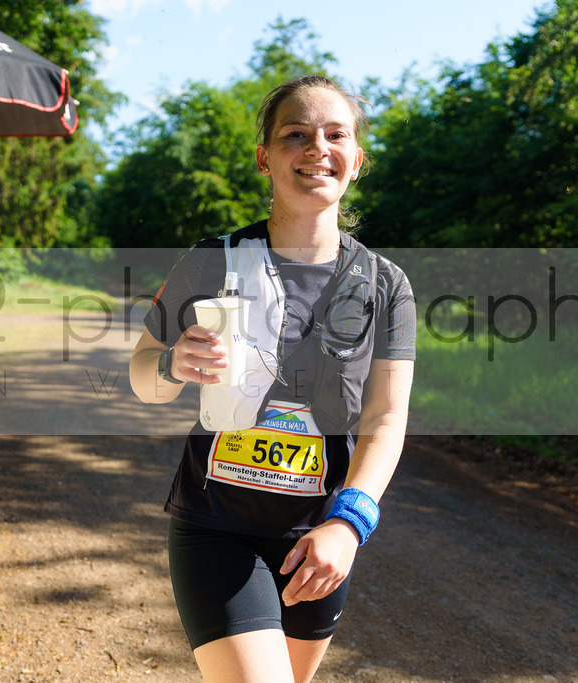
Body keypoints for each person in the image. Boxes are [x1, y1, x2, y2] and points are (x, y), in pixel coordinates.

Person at [130, 75, 416, 682]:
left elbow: (386, 419)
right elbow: (141, 376)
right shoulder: (213, 259)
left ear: (356, 160)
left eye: (335, 135)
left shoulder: (386, 285)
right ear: (265, 158)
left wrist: (349, 522)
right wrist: (171, 365)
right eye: (296, 135)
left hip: (317, 544)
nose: (317, 148)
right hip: (216, 527)